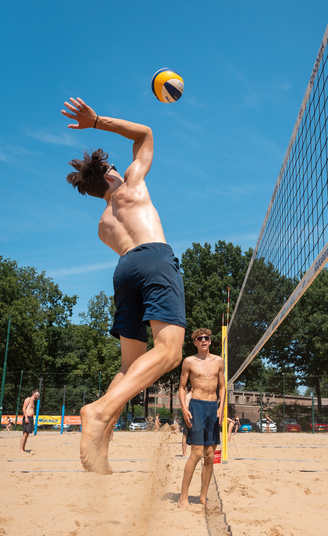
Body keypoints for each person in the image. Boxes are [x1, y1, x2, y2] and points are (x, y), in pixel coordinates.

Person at [62, 97, 186, 474]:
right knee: (169, 353)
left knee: (130, 367)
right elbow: (145, 133)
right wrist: (96, 121)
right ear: (112, 174)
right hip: (154, 258)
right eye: (115, 166)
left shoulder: (102, 224)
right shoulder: (131, 183)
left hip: (123, 269)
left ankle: (100, 443)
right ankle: (97, 412)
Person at [177, 329, 225, 509]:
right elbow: (182, 387)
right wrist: (184, 408)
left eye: (206, 338)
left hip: (213, 408)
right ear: (195, 342)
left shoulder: (218, 361)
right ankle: (183, 498)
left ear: (210, 341)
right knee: (196, 453)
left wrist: (221, 407)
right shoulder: (189, 361)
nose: (203, 340)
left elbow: (222, 387)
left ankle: (203, 497)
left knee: (210, 455)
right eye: (200, 338)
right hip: (196, 407)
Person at [181, 386, 193, 457]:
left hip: (190, 416)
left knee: (193, 434)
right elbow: (185, 407)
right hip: (186, 416)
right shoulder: (188, 396)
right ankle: (184, 453)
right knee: (185, 434)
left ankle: (191, 452)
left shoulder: (192, 396)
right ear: (191, 389)